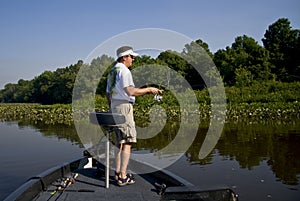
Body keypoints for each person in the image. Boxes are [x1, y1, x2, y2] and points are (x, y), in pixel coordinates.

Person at [106, 46, 163, 186]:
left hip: (114, 106)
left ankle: (118, 173)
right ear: (124, 57)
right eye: (131, 56)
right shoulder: (124, 71)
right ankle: (123, 176)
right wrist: (149, 89)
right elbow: (130, 91)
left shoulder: (112, 71)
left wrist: (112, 107)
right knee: (128, 142)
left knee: (120, 142)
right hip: (124, 107)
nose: (133, 59)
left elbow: (108, 94)